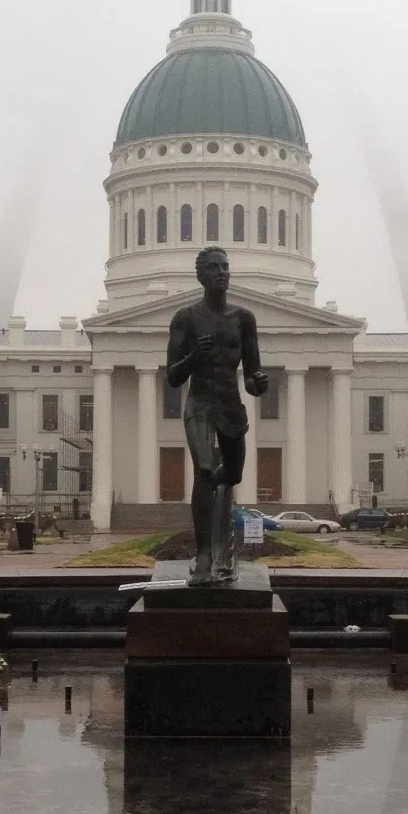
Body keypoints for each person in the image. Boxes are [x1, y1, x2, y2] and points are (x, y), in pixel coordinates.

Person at [165, 247, 268, 584]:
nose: (222, 272)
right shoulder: (186, 317)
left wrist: (257, 384)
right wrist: (195, 356)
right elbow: (174, 377)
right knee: (205, 470)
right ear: (201, 276)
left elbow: (252, 376)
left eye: (225, 267)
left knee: (232, 476)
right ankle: (205, 554)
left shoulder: (244, 319)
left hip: (230, 405)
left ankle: (221, 537)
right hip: (200, 403)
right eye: (213, 268)